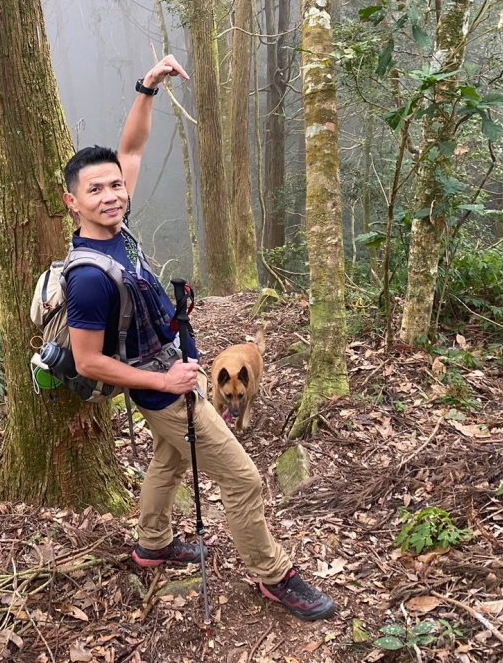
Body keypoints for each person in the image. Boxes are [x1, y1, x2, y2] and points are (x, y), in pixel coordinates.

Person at [62, 55, 336, 622]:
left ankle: (153, 545)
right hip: (163, 389)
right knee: (243, 478)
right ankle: (273, 574)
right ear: (73, 202)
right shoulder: (88, 276)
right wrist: (165, 382)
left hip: (174, 373)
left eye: (115, 185)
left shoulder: (118, 229)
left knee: (168, 463)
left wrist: (147, 87)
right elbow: (87, 362)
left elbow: (132, 149)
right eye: (96, 189)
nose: (112, 194)